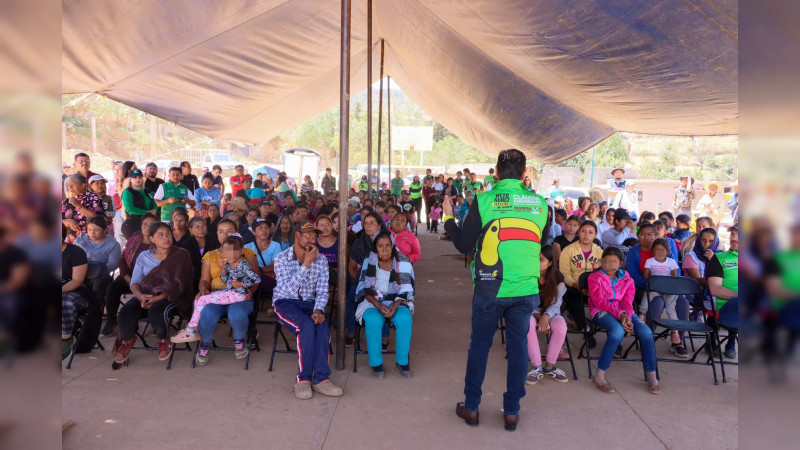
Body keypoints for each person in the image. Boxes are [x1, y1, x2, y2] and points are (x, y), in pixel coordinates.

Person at [444, 149, 549, 431]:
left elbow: (464, 245)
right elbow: (544, 244)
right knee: (517, 350)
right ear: (525, 174)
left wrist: (448, 220)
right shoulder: (541, 205)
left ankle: (472, 407)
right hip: (526, 289)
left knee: (479, 346)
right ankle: (512, 411)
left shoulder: (484, 200)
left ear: (496, 172)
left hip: (491, 287)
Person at [273, 220, 343, 399]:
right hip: (285, 303)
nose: (312, 238)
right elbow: (287, 291)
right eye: (308, 235)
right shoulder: (282, 258)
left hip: (310, 304)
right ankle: (303, 379)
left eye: (314, 235)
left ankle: (321, 379)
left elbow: (321, 291)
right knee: (306, 325)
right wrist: (306, 264)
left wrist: (319, 310)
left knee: (321, 325)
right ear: (297, 236)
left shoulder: (321, 261)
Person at [113, 222, 194, 364]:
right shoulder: (144, 256)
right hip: (146, 295)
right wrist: (140, 296)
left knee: (156, 311)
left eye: (168, 234)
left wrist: (158, 298)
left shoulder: (181, 255)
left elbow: (179, 283)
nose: (166, 237)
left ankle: (163, 339)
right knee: (126, 311)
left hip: (171, 297)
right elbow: (135, 281)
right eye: (160, 235)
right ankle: (128, 340)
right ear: (152, 239)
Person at [588, 246, 660, 394]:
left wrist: (626, 315)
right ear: (601, 261)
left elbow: (627, 302)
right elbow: (600, 302)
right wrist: (620, 315)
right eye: (606, 261)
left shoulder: (627, 279)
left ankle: (652, 375)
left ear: (620, 263)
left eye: (614, 261)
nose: (609, 265)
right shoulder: (594, 277)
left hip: (624, 312)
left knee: (646, 333)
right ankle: (600, 375)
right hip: (601, 311)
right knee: (617, 332)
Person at [192, 219, 259, 365]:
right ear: (216, 234)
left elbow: (255, 277)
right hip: (217, 294)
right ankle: (205, 344)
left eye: (229, 231)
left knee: (236, 313)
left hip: (240, 294)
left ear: (236, 233)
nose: (224, 234)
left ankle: (240, 341)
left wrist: (250, 291)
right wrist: (204, 290)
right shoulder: (211, 256)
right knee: (207, 312)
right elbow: (204, 280)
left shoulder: (247, 253)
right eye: (221, 231)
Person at [172, 235, 261, 344]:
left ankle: (191, 329)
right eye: (226, 251)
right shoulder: (229, 263)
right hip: (229, 292)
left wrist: (241, 284)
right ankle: (195, 332)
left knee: (202, 300)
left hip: (237, 294)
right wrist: (223, 270)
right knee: (200, 300)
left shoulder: (243, 264)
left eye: (233, 251)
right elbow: (225, 281)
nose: (229, 254)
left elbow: (256, 278)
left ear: (241, 251)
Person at [355, 230, 415, 378]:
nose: (384, 249)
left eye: (387, 245)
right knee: (374, 320)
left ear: (393, 246)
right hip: (372, 301)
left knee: (404, 319)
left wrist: (394, 306)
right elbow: (365, 289)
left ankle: (402, 362)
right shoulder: (369, 261)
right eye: (380, 246)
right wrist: (379, 305)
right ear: (375, 248)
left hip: (398, 301)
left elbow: (407, 288)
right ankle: (376, 363)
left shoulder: (403, 260)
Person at [102, 214, 157, 337]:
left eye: (151, 225)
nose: (147, 227)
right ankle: (111, 322)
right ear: (141, 226)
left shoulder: (160, 243)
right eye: (145, 224)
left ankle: (155, 322)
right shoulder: (133, 241)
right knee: (112, 288)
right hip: (130, 278)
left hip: (151, 281)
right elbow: (122, 262)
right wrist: (130, 279)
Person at [526, 245, 569, 384]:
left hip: (550, 311)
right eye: (534, 259)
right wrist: (538, 316)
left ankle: (550, 366)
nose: (536, 262)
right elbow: (523, 301)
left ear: (550, 262)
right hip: (528, 311)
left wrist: (546, 316)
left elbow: (556, 304)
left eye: (541, 259)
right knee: (528, 323)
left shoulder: (557, 277)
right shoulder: (527, 274)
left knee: (561, 326)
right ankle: (537, 367)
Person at [641, 237, 688, 357]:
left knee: (671, 307)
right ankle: (642, 315)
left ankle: (675, 331)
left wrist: (668, 285)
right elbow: (646, 275)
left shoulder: (671, 262)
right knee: (648, 296)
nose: (660, 253)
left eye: (662, 250)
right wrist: (651, 282)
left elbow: (674, 277)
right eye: (657, 250)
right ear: (653, 251)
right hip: (655, 287)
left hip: (668, 289)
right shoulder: (650, 261)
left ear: (667, 251)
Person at [705, 226, 739, 358]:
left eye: (738, 234)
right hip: (729, 307)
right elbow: (715, 289)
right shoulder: (719, 258)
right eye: (732, 234)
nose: (734, 238)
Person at [62, 224, 90, 360]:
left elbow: (76, 281)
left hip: (75, 292)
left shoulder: (76, 252)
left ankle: (66, 338)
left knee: (65, 301)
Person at [179, 216, 220, 291]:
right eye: (197, 227)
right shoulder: (186, 244)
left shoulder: (214, 241)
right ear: (191, 230)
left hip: (211, 278)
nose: (201, 229)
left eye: (203, 226)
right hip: (192, 280)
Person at [62, 174, 104, 242]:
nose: (70, 188)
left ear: (83, 185)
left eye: (73, 185)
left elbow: (97, 217)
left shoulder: (94, 197)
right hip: (72, 242)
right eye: (68, 185)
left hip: (91, 241)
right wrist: (69, 221)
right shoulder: (67, 201)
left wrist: (77, 205)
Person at [246, 218, 281, 298]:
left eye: (266, 227)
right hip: (256, 278)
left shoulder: (275, 245)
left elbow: (276, 266)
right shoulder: (247, 247)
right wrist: (263, 271)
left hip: (266, 280)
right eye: (260, 228)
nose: (264, 230)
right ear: (253, 232)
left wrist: (258, 271)